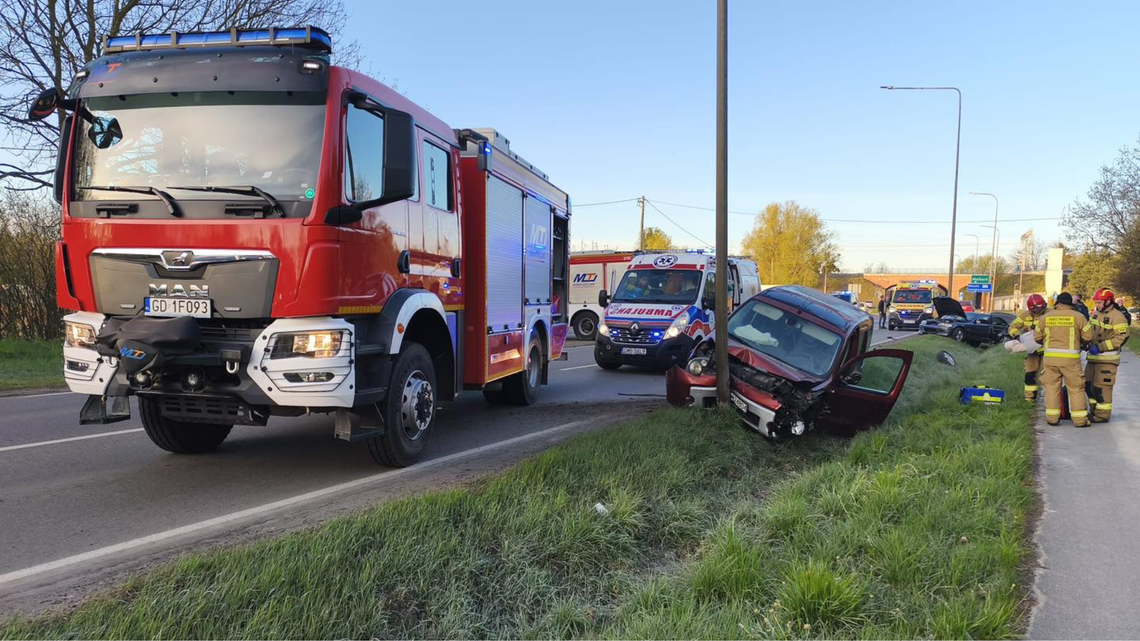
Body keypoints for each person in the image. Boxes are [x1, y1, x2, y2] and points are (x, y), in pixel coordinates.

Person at [1036, 292, 1094, 427]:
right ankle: (1080, 420)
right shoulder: (1079, 317)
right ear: (1071, 304)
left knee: (1051, 388)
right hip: (1071, 360)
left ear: (1057, 303)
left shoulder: (1046, 317)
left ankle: (1052, 418)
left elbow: (1037, 338)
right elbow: (1088, 336)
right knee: (1076, 388)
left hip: (1050, 360)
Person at [1085, 288, 1130, 422]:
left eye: (1099, 302)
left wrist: (1100, 347)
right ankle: (1094, 411)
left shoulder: (1118, 317)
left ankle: (1102, 415)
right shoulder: (1096, 313)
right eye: (1096, 302)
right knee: (1088, 386)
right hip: (1093, 359)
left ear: (1108, 302)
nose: (1096, 305)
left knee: (1102, 388)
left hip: (1107, 359)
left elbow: (1121, 338)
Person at [1008, 294, 1048, 401]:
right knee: (1029, 375)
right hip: (1032, 351)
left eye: (1039, 308)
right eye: (1034, 309)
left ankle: (1049, 399)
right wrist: (1016, 335)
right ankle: (1030, 398)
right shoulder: (1024, 315)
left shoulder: (1050, 314)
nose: (1037, 311)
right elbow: (1013, 327)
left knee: (1048, 376)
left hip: (1047, 350)